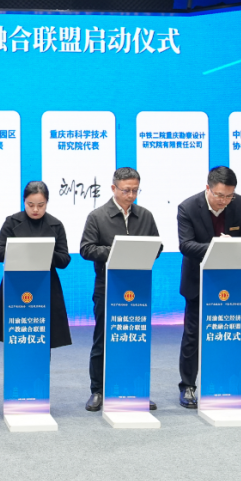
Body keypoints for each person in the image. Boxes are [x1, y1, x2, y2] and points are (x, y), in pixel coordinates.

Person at [79, 167, 161, 412]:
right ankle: (98, 390)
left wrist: (144, 249)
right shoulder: (97, 216)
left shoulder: (145, 216)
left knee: (135, 338)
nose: (131, 195)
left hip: (137, 289)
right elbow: (86, 249)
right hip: (107, 288)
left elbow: (157, 246)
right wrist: (118, 250)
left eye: (135, 190)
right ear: (113, 188)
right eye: (126, 190)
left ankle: (136, 389)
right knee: (103, 340)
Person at [176, 165, 241, 409]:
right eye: (220, 195)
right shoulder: (188, 207)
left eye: (229, 196)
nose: (225, 201)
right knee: (193, 335)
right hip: (198, 281)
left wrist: (234, 245)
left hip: (230, 282)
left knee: (227, 332)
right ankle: (188, 385)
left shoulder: (239, 204)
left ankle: (224, 383)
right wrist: (217, 246)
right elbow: (186, 245)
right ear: (208, 188)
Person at [0, 181, 72, 348]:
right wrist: (21, 250)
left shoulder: (56, 225)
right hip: (16, 284)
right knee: (16, 334)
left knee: (43, 336)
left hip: (46, 285)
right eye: (30, 204)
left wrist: (44, 252)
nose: (35, 209)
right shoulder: (12, 222)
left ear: (47, 202)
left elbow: (64, 259)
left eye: (41, 205)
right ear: (24, 201)